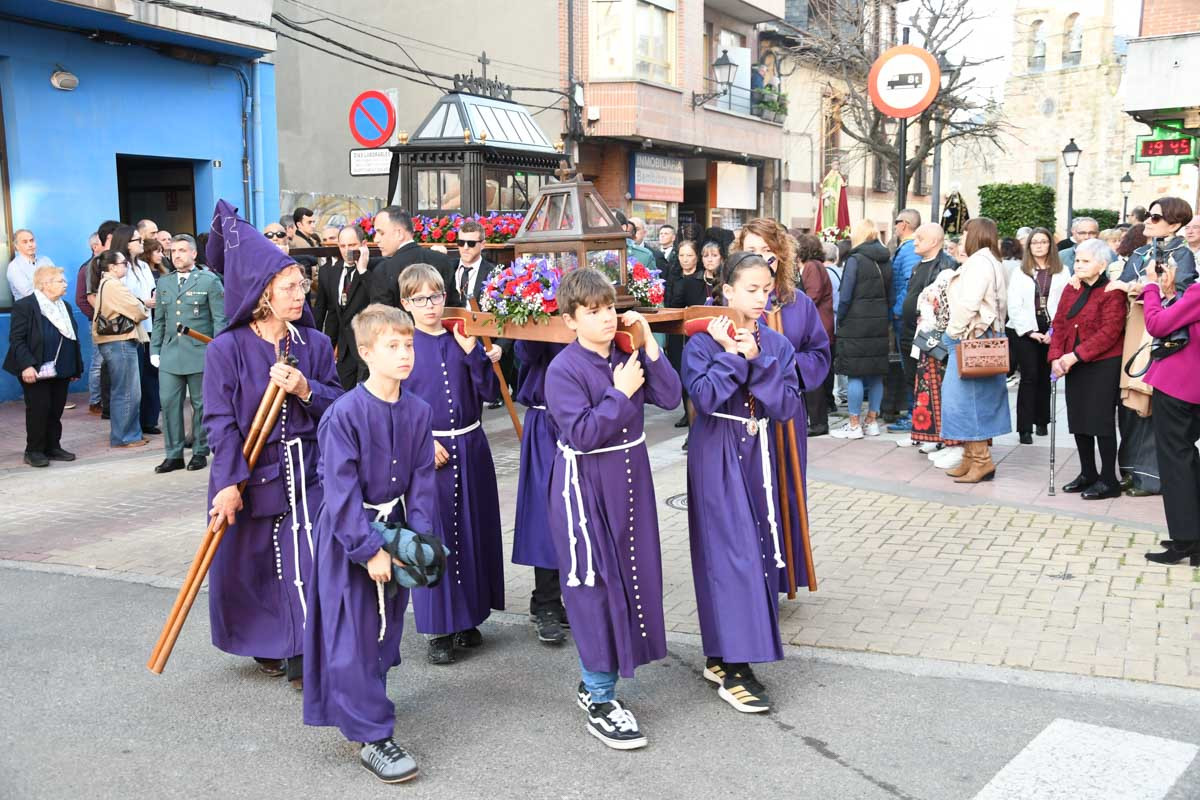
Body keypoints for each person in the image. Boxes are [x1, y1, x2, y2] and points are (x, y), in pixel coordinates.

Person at [203, 199, 343, 687]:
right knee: (256, 562)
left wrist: (306, 389)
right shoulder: (227, 349)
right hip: (248, 468)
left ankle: (307, 652)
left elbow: (338, 407)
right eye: (289, 288)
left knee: (311, 558)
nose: (300, 295)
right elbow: (219, 422)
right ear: (263, 294)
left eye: (302, 286)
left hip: (309, 471)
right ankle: (267, 641)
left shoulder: (314, 344)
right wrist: (228, 484)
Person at [545, 268, 681, 750]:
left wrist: (648, 344)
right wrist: (619, 394)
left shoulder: (627, 355)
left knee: (634, 575)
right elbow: (582, 433)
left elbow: (670, 397)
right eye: (593, 311)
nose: (606, 318)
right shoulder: (563, 369)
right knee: (595, 586)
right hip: (585, 488)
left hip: (630, 483)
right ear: (570, 320)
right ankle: (601, 698)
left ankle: (598, 682)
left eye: (609, 308)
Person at [303, 304, 437, 783]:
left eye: (409, 345)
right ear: (365, 353)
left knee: (385, 628)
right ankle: (374, 737)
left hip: (395, 529)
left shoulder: (419, 410)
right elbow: (338, 492)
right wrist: (369, 550)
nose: (404, 354)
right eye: (392, 346)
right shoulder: (343, 414)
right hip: (350, 535)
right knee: (353, 632)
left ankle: (368, 703)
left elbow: (422, 482)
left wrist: (417, 544)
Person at [683, 251, 801, 713]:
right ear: (727, 290)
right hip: (716, 449)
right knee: (730, 553)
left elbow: (787, 405)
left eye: (766, 289)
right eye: (750, 289)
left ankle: (722, 655)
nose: (760, 298)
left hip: (759, 453)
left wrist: (758, 359)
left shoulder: (776, 343)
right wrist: (734, 355)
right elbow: (704, 398)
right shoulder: (702, 341)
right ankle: (735, 667)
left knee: (759, 551)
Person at [397, 264, 504, 665]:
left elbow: (491, 391)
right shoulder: (403, 345)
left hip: (471, 445)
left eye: (436, 296)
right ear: (406, 303)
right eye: (421, 298)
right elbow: (393, 404)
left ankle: (468, 618)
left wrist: (476, 354)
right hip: (430, 455)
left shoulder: (462, 338)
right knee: (434, 535)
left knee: (473, 532)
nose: (430, 305)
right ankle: (438, 628)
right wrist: (422, 441)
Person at [733, 220, 830, 599]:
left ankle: (780, 578)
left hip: (783, 415)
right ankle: (747, 582)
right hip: (740, 416)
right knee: (746, 496)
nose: (759, 257)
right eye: (750, 249)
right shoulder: (727, 303)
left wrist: (777, 366)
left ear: (780, 255)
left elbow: (818, 355)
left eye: (766, 250)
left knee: (783, 492)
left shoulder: (797, 303)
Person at [1049, 239, 1126, 499]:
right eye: (1077, 260)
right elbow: (1059, 324)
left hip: (1103, 364)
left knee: (1100, 421)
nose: (1078, 265)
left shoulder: (1112, 291)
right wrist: (1055, 357)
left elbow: (1110, 332)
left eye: (1085, 261)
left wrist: (1074, 356)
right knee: (1079, 419)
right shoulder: (1071, 288)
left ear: (1102, 265)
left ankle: (1109, 480)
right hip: (1073, 362)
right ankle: (1088, 473)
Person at [1135, 258, 1200, 564]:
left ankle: (1185, 539)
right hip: (1191, 386)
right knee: (1187, 459)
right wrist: (1171, 293)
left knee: (1176, 462)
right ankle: (1192, 537)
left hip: (1179, 385)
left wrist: (1151, 286)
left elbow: (1157, 324)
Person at [940, 217, 1011, 483]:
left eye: (965, 232)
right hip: (984, 337)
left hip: (972, 337)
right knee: (971, 400)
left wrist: (952, 332)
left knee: (966, 401)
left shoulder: (979, 263)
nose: (962, 237)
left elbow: (969, 303)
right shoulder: (991, 261)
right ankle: (971, 457)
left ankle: (981, 460)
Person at [150, 234, 226, 473]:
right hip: (171, 352)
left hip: (200, 351)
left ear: (194, 253)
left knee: (201, 404)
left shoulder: (209, 281)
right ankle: (173, 454)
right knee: (169, 402)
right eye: (173, 251)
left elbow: (220, 319)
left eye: (182, 250)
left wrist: (218, 349)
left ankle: (200, 451)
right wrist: (155, 349)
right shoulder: (165, 282)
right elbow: (160, 320)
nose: (177, 255)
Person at [512, 338, 569, 644]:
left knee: (580, 510)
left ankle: (570, 596)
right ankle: (546, 602)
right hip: (545, 422)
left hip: (582, 416)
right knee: (545, 513)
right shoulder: (538, 314)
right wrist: (542, 314)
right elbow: (524, 352)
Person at [4, 266, 83, 467]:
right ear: (45, 284)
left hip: (61, 368)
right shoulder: (25, 306)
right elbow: (17, 339)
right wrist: (27, 365)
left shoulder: (64, 306)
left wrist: (75, 366)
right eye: (60, 281)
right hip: (35, 368)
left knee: (56, 409)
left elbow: (72, 337)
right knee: (39, 409)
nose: (65, 284)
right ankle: (34, 450)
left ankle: (53, 447)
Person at [896, 224, 958, 448]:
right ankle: (918, 430)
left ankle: (937, 434)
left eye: (920, 238)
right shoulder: (917, 265)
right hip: (910, 331)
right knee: (912, 379)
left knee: (932, 383)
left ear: (933, 241)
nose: (915, 242)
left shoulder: (946, 266)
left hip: (931, 335)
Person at [830, 219, 892, 439]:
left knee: (854, 373)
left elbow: (845, 296)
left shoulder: (855, 259)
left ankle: (854, 424)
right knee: (876, 374)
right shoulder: (886, 259)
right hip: (879, 323)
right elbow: (891, 294)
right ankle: (872, 422)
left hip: (855, 323)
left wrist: (840, 320)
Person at [1007, 227, 1067, 444]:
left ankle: (1042, 420)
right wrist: (1029, 331)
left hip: (1051, 326)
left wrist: (1053, 331)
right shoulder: (1020, 271)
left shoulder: (1062, 271)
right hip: (1024, 329)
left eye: (1043, 242)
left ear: (1050, 244)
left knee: (1045, 375)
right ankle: (1024, 428)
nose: (1039, 246)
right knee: (1029, 376)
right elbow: (1014, 304)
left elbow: (1065, 303)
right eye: (1035, 242)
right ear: (1028, 246)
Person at [91, 250, 149, 448]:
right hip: (120, 341)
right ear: (112, 267)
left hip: (115, 342)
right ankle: (125, 436)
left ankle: (130, 434)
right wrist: (142, 305)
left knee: (125, 390)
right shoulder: (114, 285)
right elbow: (138, 311)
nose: (127, 265)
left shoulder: (106, 283)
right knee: (127, 391)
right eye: (124, 263)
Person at [111, 224, 161, 435]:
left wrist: (154, 299)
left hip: (149, 325)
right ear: (126, 243)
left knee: (151, 374)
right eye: (137, 240)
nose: (142, 243)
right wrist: (143, 302)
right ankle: (131, 427)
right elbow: (120, 296)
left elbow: (151, 290)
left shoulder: (142, 266)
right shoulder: (119, 267)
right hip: (130, 328)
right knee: (133, 380)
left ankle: (149, 420)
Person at [312, 225, 373, 390]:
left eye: (352, 245)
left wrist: (363, 271)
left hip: (369, 346)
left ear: (363, 244)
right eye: (343, 246)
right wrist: (324, 346)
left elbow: (378, 300)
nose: (347, 251)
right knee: (342, 392)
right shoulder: (330, 272)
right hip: (344, 348)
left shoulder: (374, 269)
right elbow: (329, 312)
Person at [369, 206, 460, 310]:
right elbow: (455, 310)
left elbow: (381, 317)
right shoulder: (442, 260)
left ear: (399, 234)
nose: (376, 239)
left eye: (381, 233)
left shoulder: (384, 270)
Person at [793, 234, 835, 435]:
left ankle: (818, 422)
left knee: (812, 373)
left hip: (818, 324)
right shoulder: (815, 266)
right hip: (819, 322)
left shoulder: (812, 266)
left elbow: (813, 295)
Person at [667, 240, 706, 431]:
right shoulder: (674, 276)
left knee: (693, 370)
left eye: (689, 255)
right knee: (679, 369)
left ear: (697, 257)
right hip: (676, 330)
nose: (685, 259)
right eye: (682, 255)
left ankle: (695, 414)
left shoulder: (701, 279)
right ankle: (686, 411)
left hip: (694, 330)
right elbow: (669, 303)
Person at [887, 209, 921, 431]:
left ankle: (914, 414)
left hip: (905, 318)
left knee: (910, 368)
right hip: (905, 315)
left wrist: (898, 310)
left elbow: (910, 283)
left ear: (905, 224)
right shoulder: (907, 249)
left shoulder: (909, 250)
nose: (894, 225)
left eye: (897, 221)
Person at [6, 229, 54, 302]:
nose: (30, 245)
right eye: (25, 242)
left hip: (52, 304)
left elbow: (60, 282)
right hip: (29, 307)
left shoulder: (45, 260)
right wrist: (51, 286)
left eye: (32, 240)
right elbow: (29, 293)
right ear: (16, 246)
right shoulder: (14, 267)